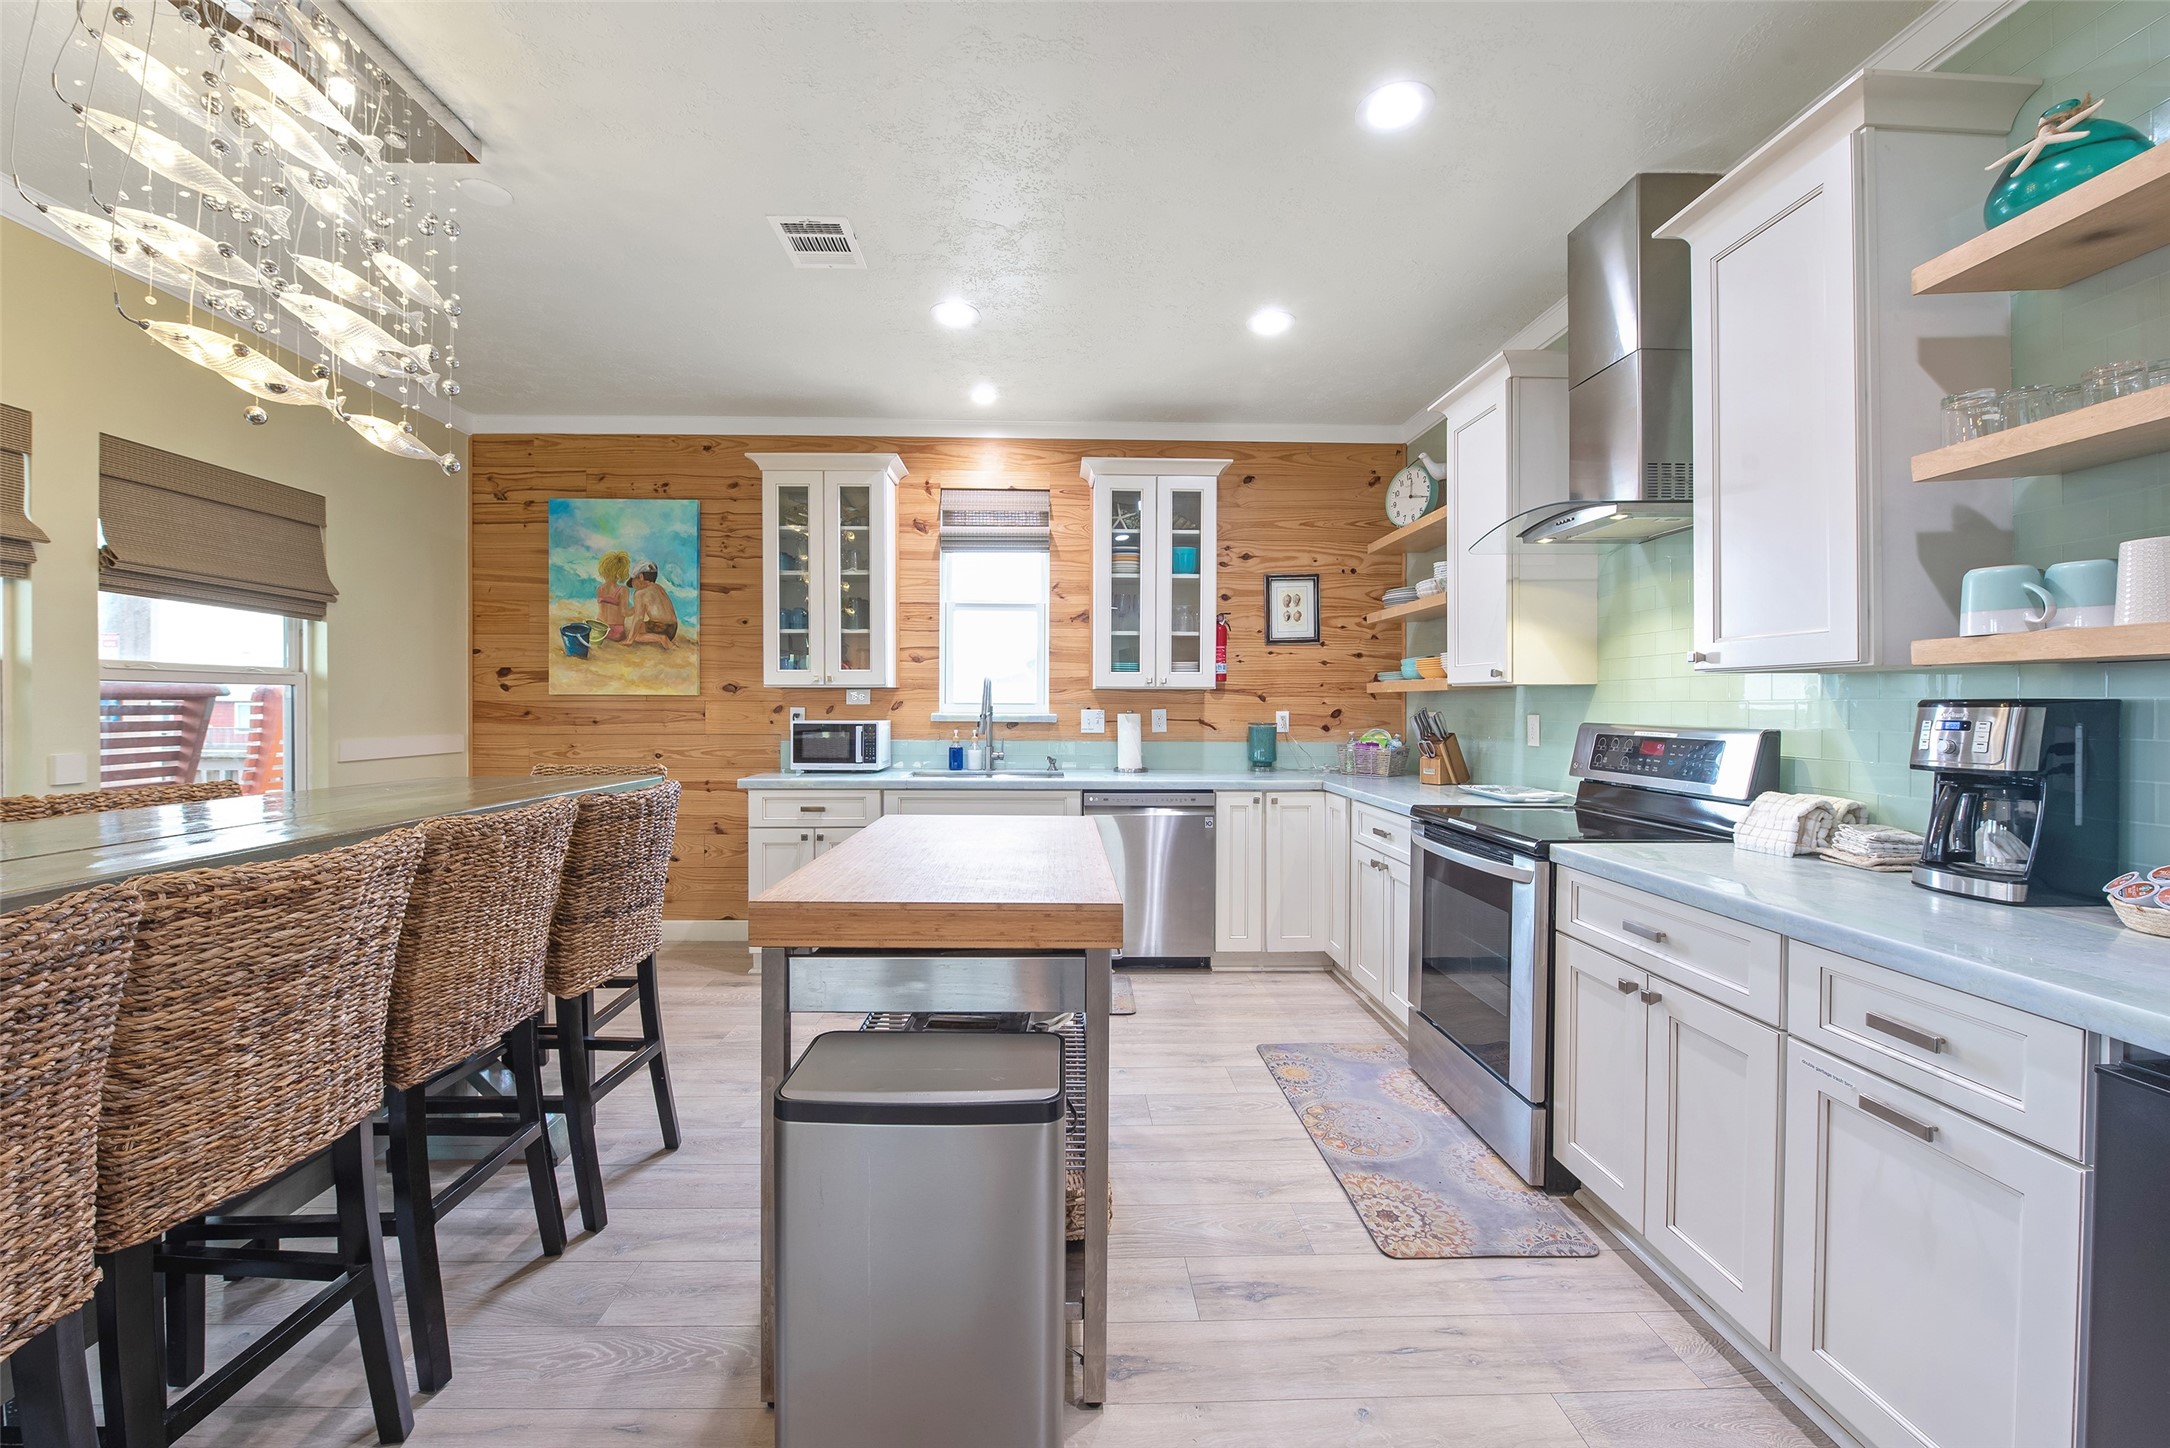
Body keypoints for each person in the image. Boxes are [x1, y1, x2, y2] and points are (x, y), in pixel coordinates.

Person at [626, 559, 679, 645]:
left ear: (640, 577)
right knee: (639, 627)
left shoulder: (640, 593)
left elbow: (639, 617)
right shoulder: (659, 588)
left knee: (636, 635)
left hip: (660, 628)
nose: (633, 585)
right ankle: (663, 637)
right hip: (673, 628)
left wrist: (629, 640)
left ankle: (661, 638)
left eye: (633, 580)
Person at [595, 550, 632, 642]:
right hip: (616, 632)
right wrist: (639, 607)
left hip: (599, 629)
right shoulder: (623, 590)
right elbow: (625, 613)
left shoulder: (600, 589)